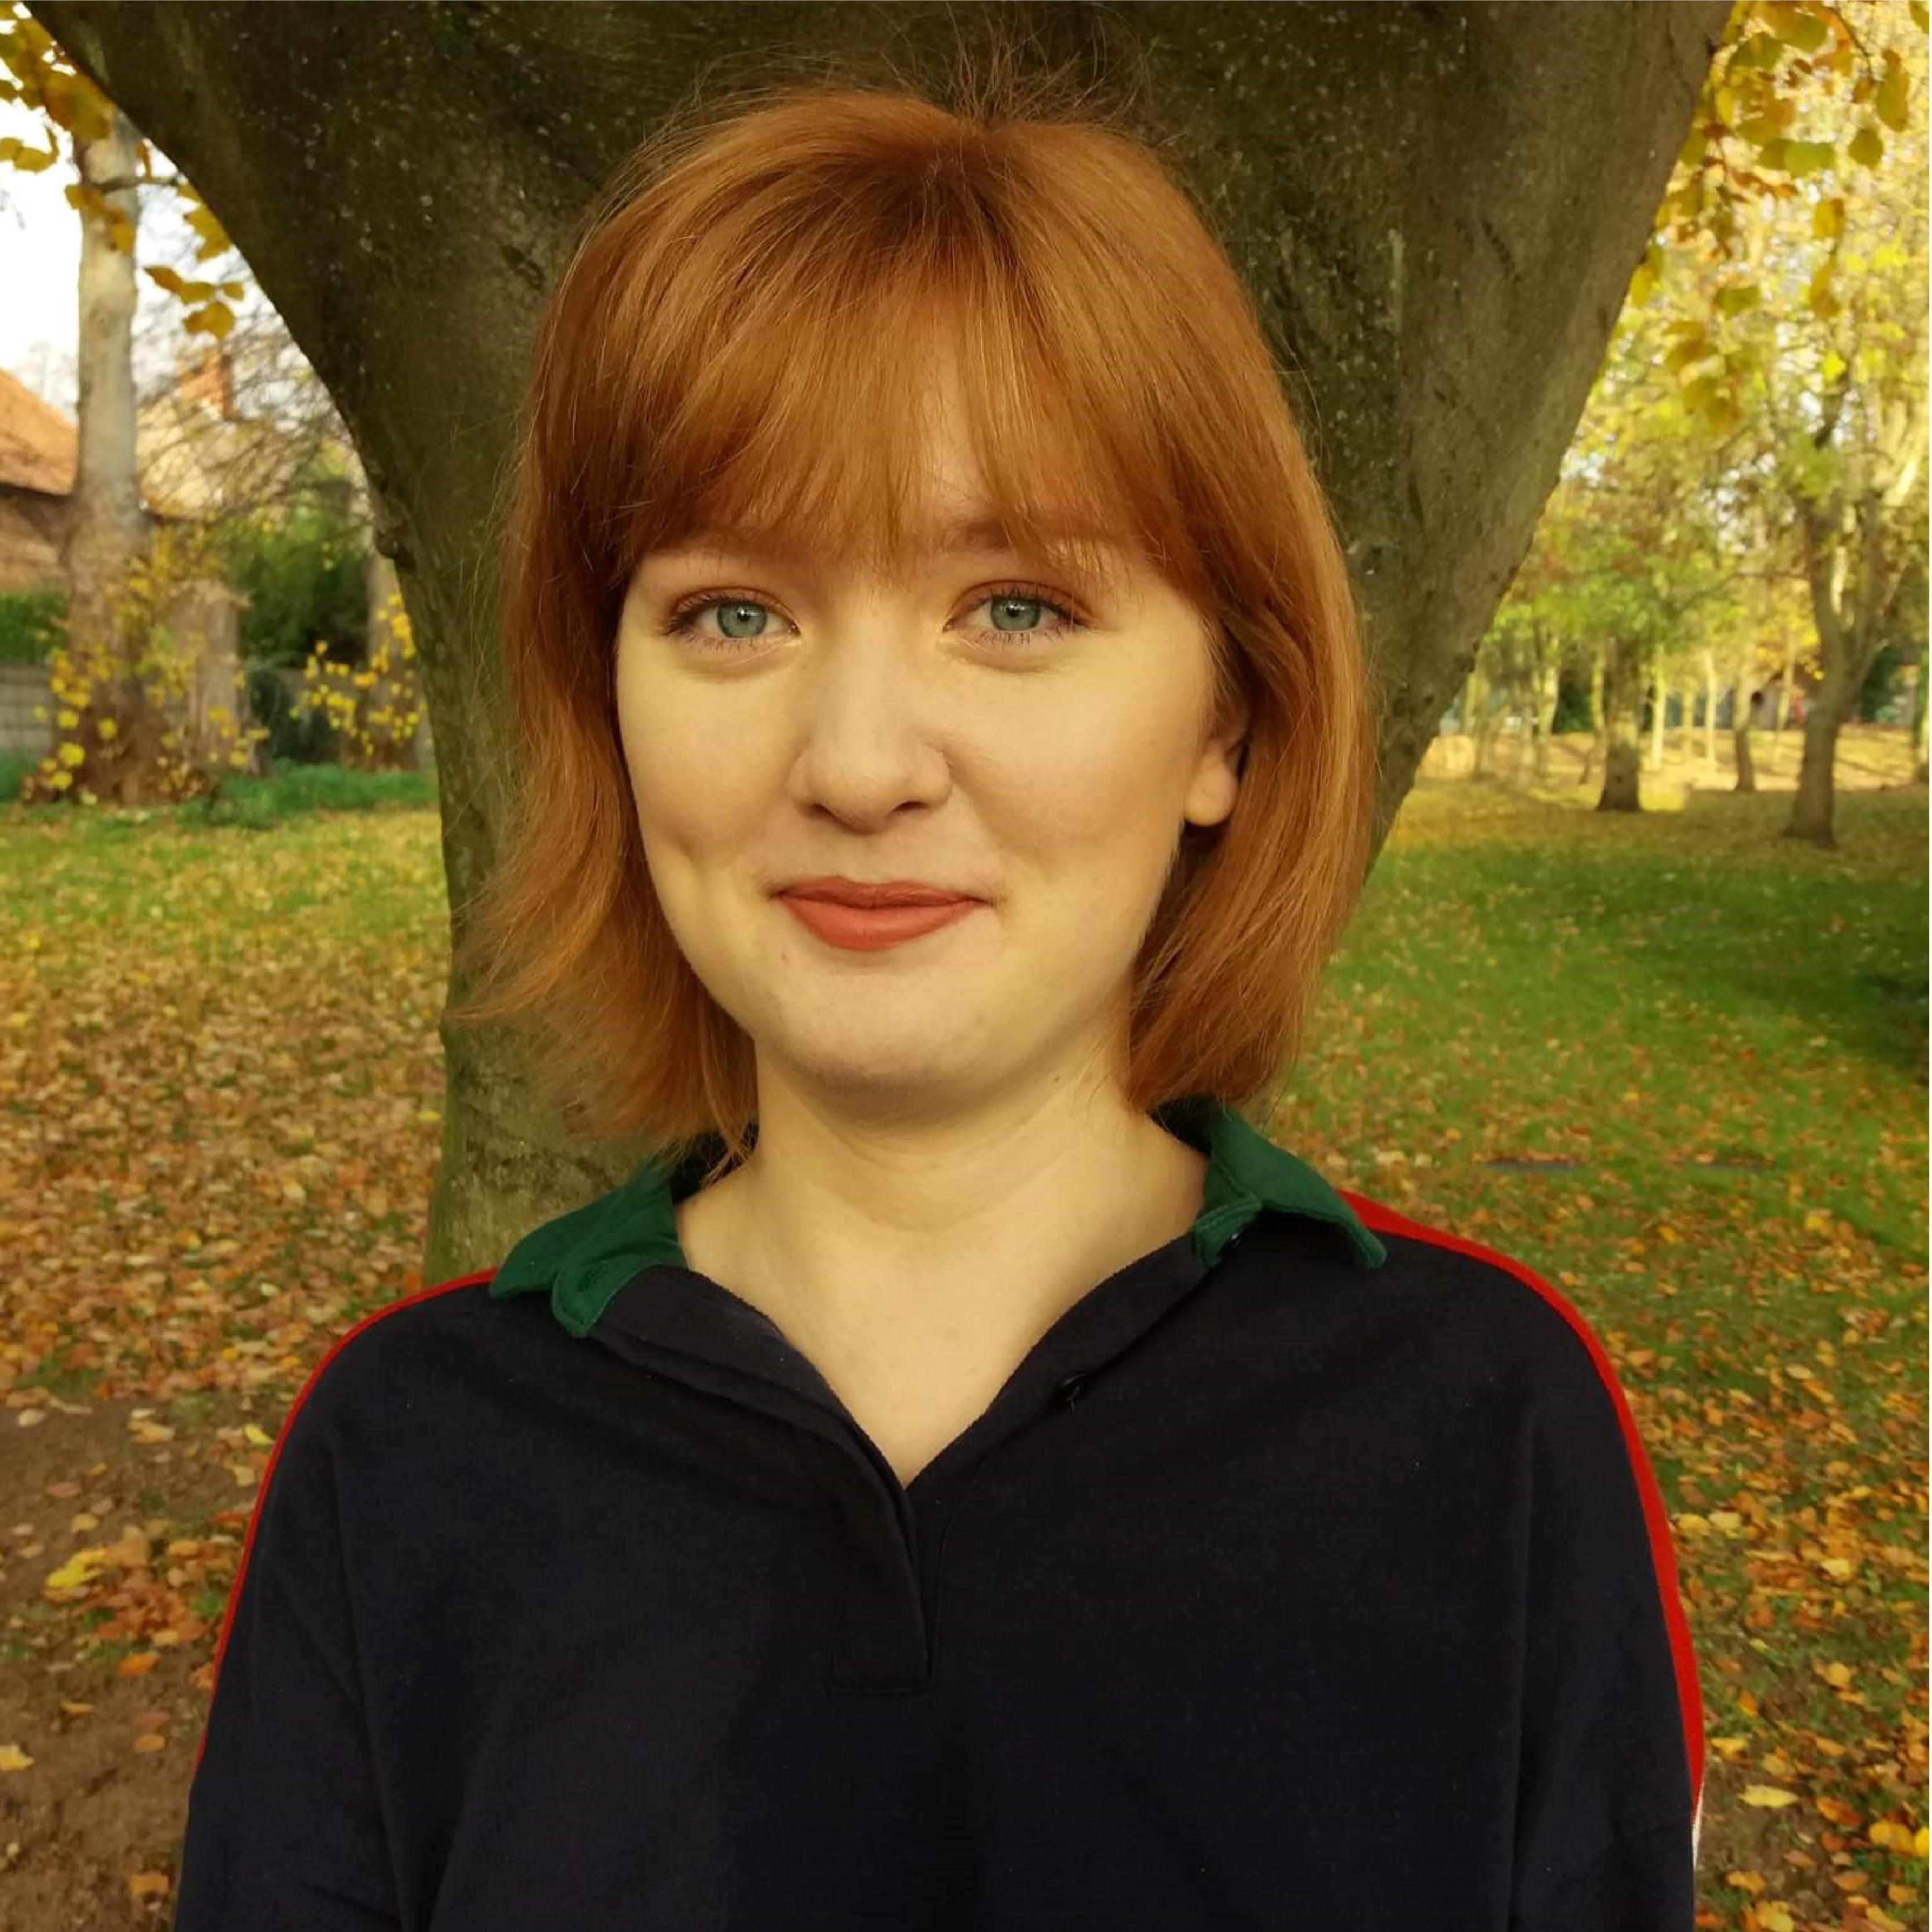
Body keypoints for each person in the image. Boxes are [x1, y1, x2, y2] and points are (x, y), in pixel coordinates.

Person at [172, 48, 1704, 1932]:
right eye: (733, 611)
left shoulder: (1486, 1435)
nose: (860, 761)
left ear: (1224, 719)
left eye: (1016, 609)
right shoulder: (406, 1460)